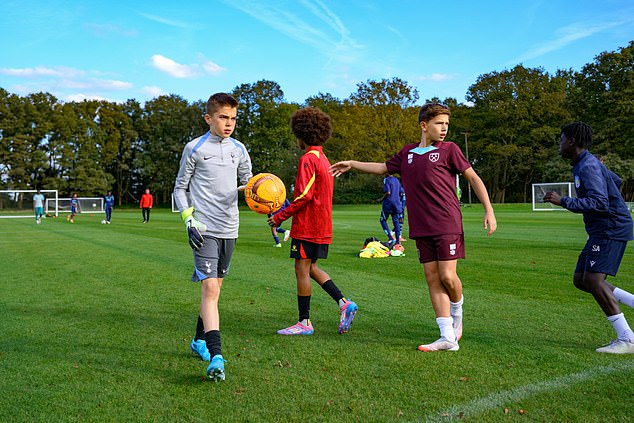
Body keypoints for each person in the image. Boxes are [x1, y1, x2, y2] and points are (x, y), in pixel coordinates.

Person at [330, 103, 496, 352]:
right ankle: (447, 337)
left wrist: (489, 210)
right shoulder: (407, 153)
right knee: (432, 278)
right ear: (424, 125)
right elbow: (382, 168)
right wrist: (353, 163)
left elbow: (473, 177)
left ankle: (457, 315)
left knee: (448, 277)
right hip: (421, 226)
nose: (444, 129)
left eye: (447, 124)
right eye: (440, 124)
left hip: (447, 222)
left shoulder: (450, 150)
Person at [173, 92, 253, 381]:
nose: (229, 123)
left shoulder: (239, 149)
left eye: (233, 118)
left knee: (215, 288)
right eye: (223, 117)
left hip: (230, 227)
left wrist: (264, 194)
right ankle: (216, 355)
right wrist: (188, 220)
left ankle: (197, 340)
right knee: (210, 290)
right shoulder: (194, 148)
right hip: (203, 228)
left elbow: (249, 185)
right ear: (209, 118)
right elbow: (179, 188)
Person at [544, 122, 634, 354]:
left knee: (593, 280)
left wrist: (563, 201)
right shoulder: (586, 163)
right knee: (581, 279)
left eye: (561, 139)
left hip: (610, 228)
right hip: (603, 229)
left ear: (572, 141)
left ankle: (627, 338)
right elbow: (616, 181)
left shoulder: (587, 167)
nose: (559, 144)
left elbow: (599, 202)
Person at [268, 107, 358, 336]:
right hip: (322, 226)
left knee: (301, 268)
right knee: (312, 267)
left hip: (308, 227)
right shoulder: (324, 159)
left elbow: (303, 196)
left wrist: (279, 217)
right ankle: (344, 303)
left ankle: (304, 322)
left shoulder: (308, 159)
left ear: (301, 134)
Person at [379, 175, 404, 247]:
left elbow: (388, 192)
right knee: (396, 222)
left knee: (382, 220)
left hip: (388, 203)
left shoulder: (386, 179)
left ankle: (391, 238)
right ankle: (398, 242)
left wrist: (381, 199)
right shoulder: (396, 180)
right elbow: (401, 192)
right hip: (397, 203)